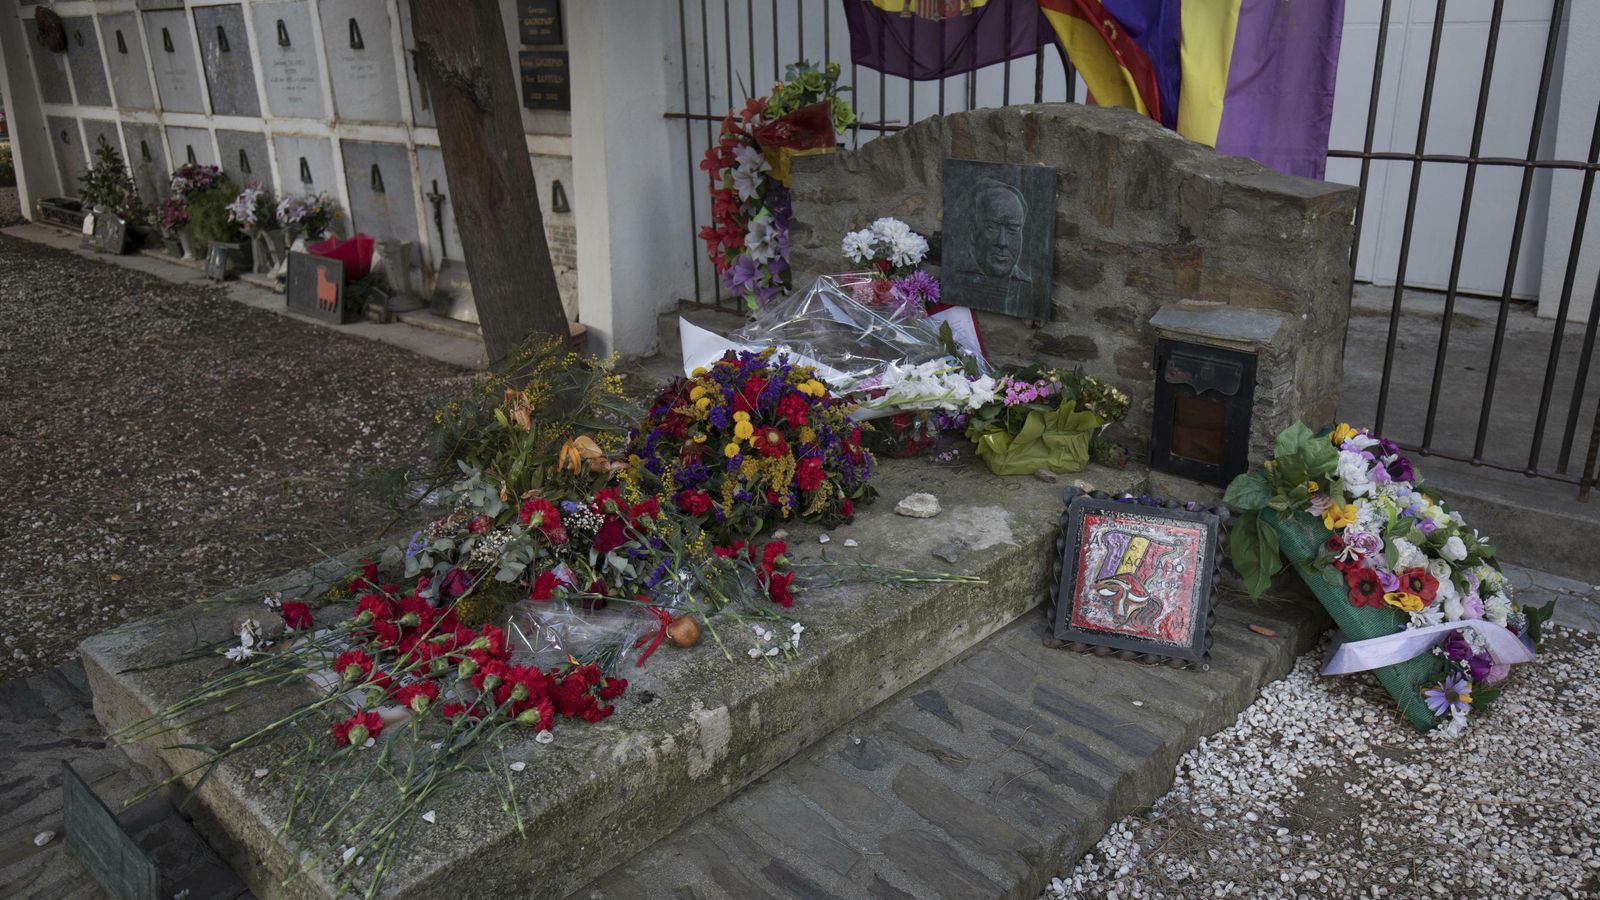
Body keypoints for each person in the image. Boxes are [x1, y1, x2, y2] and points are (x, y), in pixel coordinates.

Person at [955, 177, 1032, 311]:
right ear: (973, 233)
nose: (1002, 242)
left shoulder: (1029, 287)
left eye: (1012, 229)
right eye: (992, 227)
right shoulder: (955, 276)